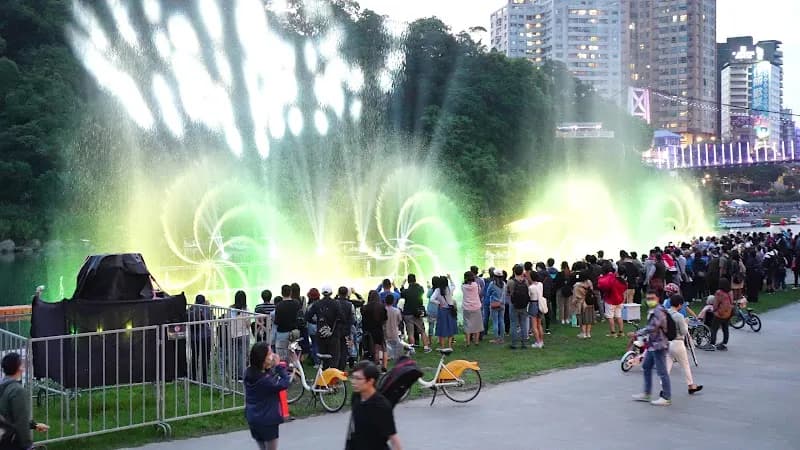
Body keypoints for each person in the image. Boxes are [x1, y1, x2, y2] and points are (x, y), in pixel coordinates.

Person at [345, 361, 402, 450]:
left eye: (358, 378)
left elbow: (393, 439)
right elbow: (353, 427)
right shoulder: (356, 397)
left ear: (370, 381)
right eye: (353, 377)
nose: (353, 381)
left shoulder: (381, 406)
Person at [244, 342, 291, 450]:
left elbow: (268, 374)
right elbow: (285, 383)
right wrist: (279, 366)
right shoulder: (266, 382)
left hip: (253, 419)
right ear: (262, 359)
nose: (273, 356)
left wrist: (270, 366)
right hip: (267, 421)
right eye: (270, 354)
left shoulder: (249, 373)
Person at [631, 290, 672, 406]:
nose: (649, 301)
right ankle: (647, 393)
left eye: (652, 298)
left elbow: (653, 327)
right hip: (652, 344)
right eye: (648, 298)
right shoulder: (653, 310)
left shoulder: (659, 310)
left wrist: (638, 333)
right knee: (646, 366)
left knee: (662, 372)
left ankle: (666, 396)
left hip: (659, 344)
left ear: (658, 298)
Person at [0, 353, 49, 450]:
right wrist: (28, 445)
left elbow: (8, 414)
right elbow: (20, 420)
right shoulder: (17, 391)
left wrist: (34, 425)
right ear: (19, 368)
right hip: (11, 441)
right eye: (21, 364)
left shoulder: (2, 386)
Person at [665, 295, 703, 395]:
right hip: (678, 342)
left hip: (668, 342)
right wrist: (686, 323)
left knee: (667, 365)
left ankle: (663, 385)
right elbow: (684, 331)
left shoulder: (665, 314)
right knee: (685, 364)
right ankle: (690, 385)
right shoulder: (679, 316)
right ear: (679, 305)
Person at [304, 285, 343, 370]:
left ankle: (324, 377)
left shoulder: (316, 304)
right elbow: (342, 317)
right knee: (334, 358)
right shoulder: (336, 303)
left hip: (321, 333)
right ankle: (332, 379)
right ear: (331, 293)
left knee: (323, 358)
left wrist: (315, 321)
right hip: (333, 333)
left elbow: (307, 316)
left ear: (322, 293)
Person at [400, 274, 431, 353]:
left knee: (410, 332)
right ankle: (426, 347)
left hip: (408, 313)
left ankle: (412, 349)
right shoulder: (420, 289)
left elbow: (402, 293)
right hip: (417, 312)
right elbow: (422, 291)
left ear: (408, 281)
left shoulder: (406, 291)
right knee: (422, 330)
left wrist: (402, 284)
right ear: (415, 280)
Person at [188, 294, 212, 383]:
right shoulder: (206, 308)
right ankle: (204, 379)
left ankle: (193, 378)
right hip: (206, 336)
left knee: (194, 357)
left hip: (194, 337)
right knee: (205, 358)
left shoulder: (191, 309)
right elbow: (211, 319)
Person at [597, 264, 626, 338]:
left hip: (610, 300)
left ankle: (613, 333)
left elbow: (604, 285)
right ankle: (621, 332)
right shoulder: (624, 282)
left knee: (610, 317)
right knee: (619, 316)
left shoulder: (613, 280)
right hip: (619, 300)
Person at [361, 290, 388, 367]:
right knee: (383, 348)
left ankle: (376, 364)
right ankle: (384, 366)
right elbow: (385, 319)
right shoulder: (381, 307)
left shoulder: (365, 308)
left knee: (374, 349)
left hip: (369, 330)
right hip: (379, 329)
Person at [506, 265, 530, 350]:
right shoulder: (526, 281)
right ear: (522, 272)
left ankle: (514, 343)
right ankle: (524, 343)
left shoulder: (510, 282)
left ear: (514, 272)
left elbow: (507, 292)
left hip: (513, 304)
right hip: (523, 305)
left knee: (513, 324)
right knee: (523, 324)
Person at [273, 289, 301, 361]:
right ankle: (292, 369)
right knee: (292, 354)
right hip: (294, 332)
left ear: (282, 293)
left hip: (282, 332)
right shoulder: (296, 303)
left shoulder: (279, 305)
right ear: (290, 293)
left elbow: (276, 321)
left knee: (281, 356)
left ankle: (283, 370)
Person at [708, 277, 734, 351]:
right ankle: (724, 342)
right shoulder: (730, 292)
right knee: (725, 328)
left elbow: (716, 304)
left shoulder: (719, 292)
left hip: (720, 313)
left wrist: (714, 310)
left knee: (714, 328)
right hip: (728, 312)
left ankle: (712, 343)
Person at [432, 275, 457, 349]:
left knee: (442, 328)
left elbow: (431, 299)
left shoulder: (437, 290)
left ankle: (442, 347)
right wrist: (450, 277)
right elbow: (453, 285)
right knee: (450, 327)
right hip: (450, 310)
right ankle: (449, 346)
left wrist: (439, 303)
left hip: (442, 311)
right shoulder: (449, 289)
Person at [335, 287, 356, 370]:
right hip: (346, 329)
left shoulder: (335, 303)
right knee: (344, 350)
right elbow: (352, 319)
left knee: (336, 349)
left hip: (336, 329)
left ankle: (336, 366)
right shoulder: (350, 305)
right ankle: (342, 367)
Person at [461, 271, 484, 347]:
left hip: (467, 307)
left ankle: (467, 342)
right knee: (477, 324)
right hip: (476, 306)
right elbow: (479, 292)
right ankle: (476, 341)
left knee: (467, 324)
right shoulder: (476, 285)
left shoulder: (463, 286)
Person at [572, 270, 594, 339]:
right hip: (589, 302)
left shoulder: (577, 286)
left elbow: (575, 296)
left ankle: (583, 333)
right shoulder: (589, 283)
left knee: (583, 319)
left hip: (581, 303)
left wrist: (574, 303)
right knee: (589, 318)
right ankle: (588, 333)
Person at [485, 269, 506, 344]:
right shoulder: (504, 284)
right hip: (502, 305)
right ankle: (502, 338)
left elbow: (488, 293)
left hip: (494, 304)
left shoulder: (492, 284)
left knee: (495, 322)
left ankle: (496, 339)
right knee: (501, 321)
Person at [528, 271, 546, 348]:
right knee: (539, 324)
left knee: (534, 325)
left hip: (533, 304)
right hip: (540, 304)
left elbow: (529, 296)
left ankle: (537, 342)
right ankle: (541, 341)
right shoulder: (540, 284)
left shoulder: (531, 287)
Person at [383, 294, 403, 365]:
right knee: (397, 345)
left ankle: (388, 356)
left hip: (385, 331)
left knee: (386, 345)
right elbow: (399, 320)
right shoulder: (397, 311)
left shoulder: (383, 310)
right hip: (394, 331)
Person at [305, 288, 321, 367]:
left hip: (311, 326)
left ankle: (316, 361)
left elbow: (307, 317)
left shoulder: (309, 306)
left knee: (314, 344)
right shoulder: (321, 304)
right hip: (319, 325)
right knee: (319, 344)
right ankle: (319, 361)